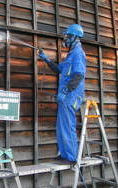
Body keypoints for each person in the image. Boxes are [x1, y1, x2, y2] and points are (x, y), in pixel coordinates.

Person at [38, 24, 86, 162]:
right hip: (65, 97)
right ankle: (64, 154)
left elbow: (79, 75)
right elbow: (60, 69)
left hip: (70, 96)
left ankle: (71, 157)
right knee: (61, 126)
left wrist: (65, 91)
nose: (66, 39)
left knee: (67, 125)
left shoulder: (78, 53)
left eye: (68, 36)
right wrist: (46, 59)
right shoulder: (71, 54)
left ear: (75, 37)